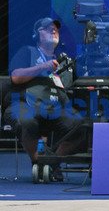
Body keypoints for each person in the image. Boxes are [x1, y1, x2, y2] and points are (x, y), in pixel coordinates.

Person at [2, 18, 84, 181]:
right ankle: (38, 162)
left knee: (81, 127)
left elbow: (81, 78)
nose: (53, 30)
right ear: (36, 34)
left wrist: (107, 67)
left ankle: (52, 162)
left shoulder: (64, 61)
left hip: (56, 108)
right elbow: (16, 77)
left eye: (56, 29)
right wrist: (43, 67)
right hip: (26, 103)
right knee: (26, 121)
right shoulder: (27, 52)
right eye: (47, 28)